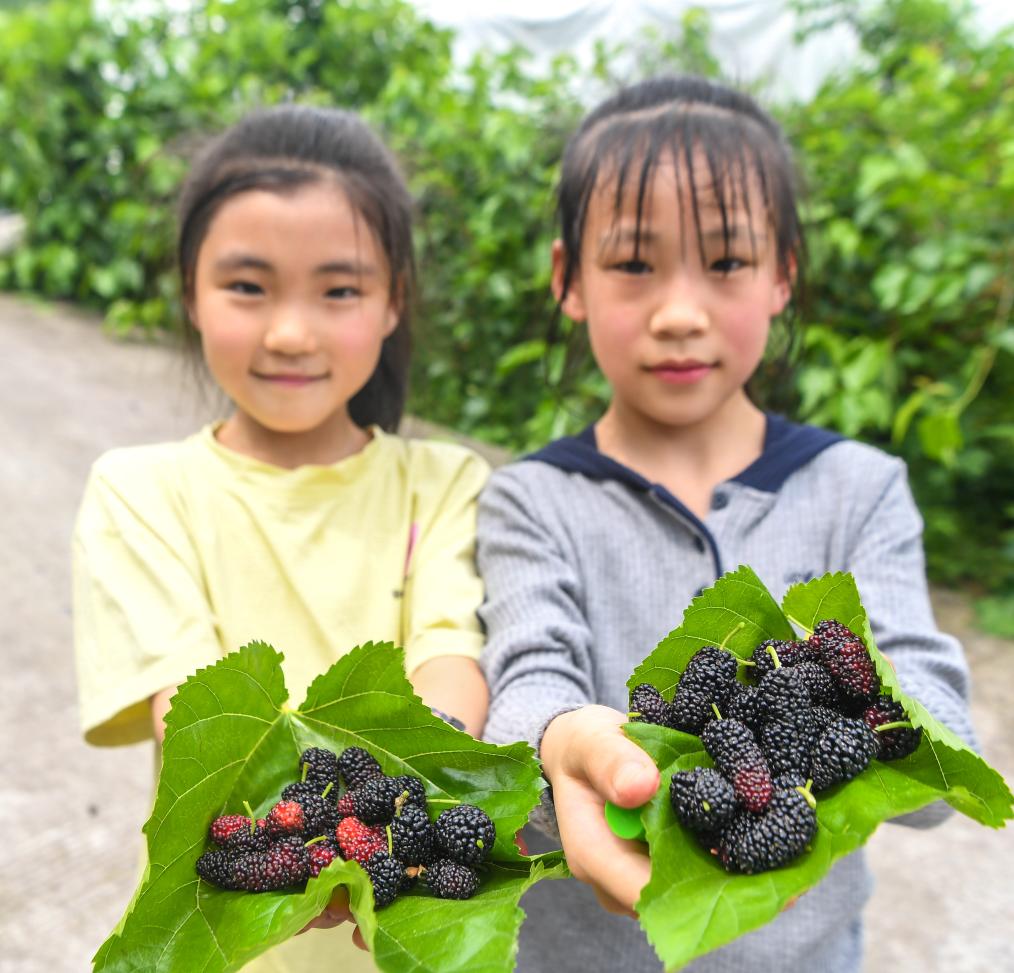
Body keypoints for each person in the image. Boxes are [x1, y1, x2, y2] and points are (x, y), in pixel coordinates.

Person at [476, 75, 977, 972]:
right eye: (634, 264)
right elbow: (528, 682)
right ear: (567, 279)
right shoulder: (532, 498)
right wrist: (561, 746)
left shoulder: (858, 488)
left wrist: (865, 723)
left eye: (728, 261)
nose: (679, 314)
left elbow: (940, 746)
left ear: (784, 272)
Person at [72, 104, 490, 972]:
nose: (291, 332)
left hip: (399, 934)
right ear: (189, 291)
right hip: (220, 943)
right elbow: (196, 713)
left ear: (393, 300)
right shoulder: (142, 492)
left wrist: (409, 796)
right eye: (247, 286)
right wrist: (342, 825)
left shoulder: (446, 485)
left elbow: (449, 660)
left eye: (339, 290)